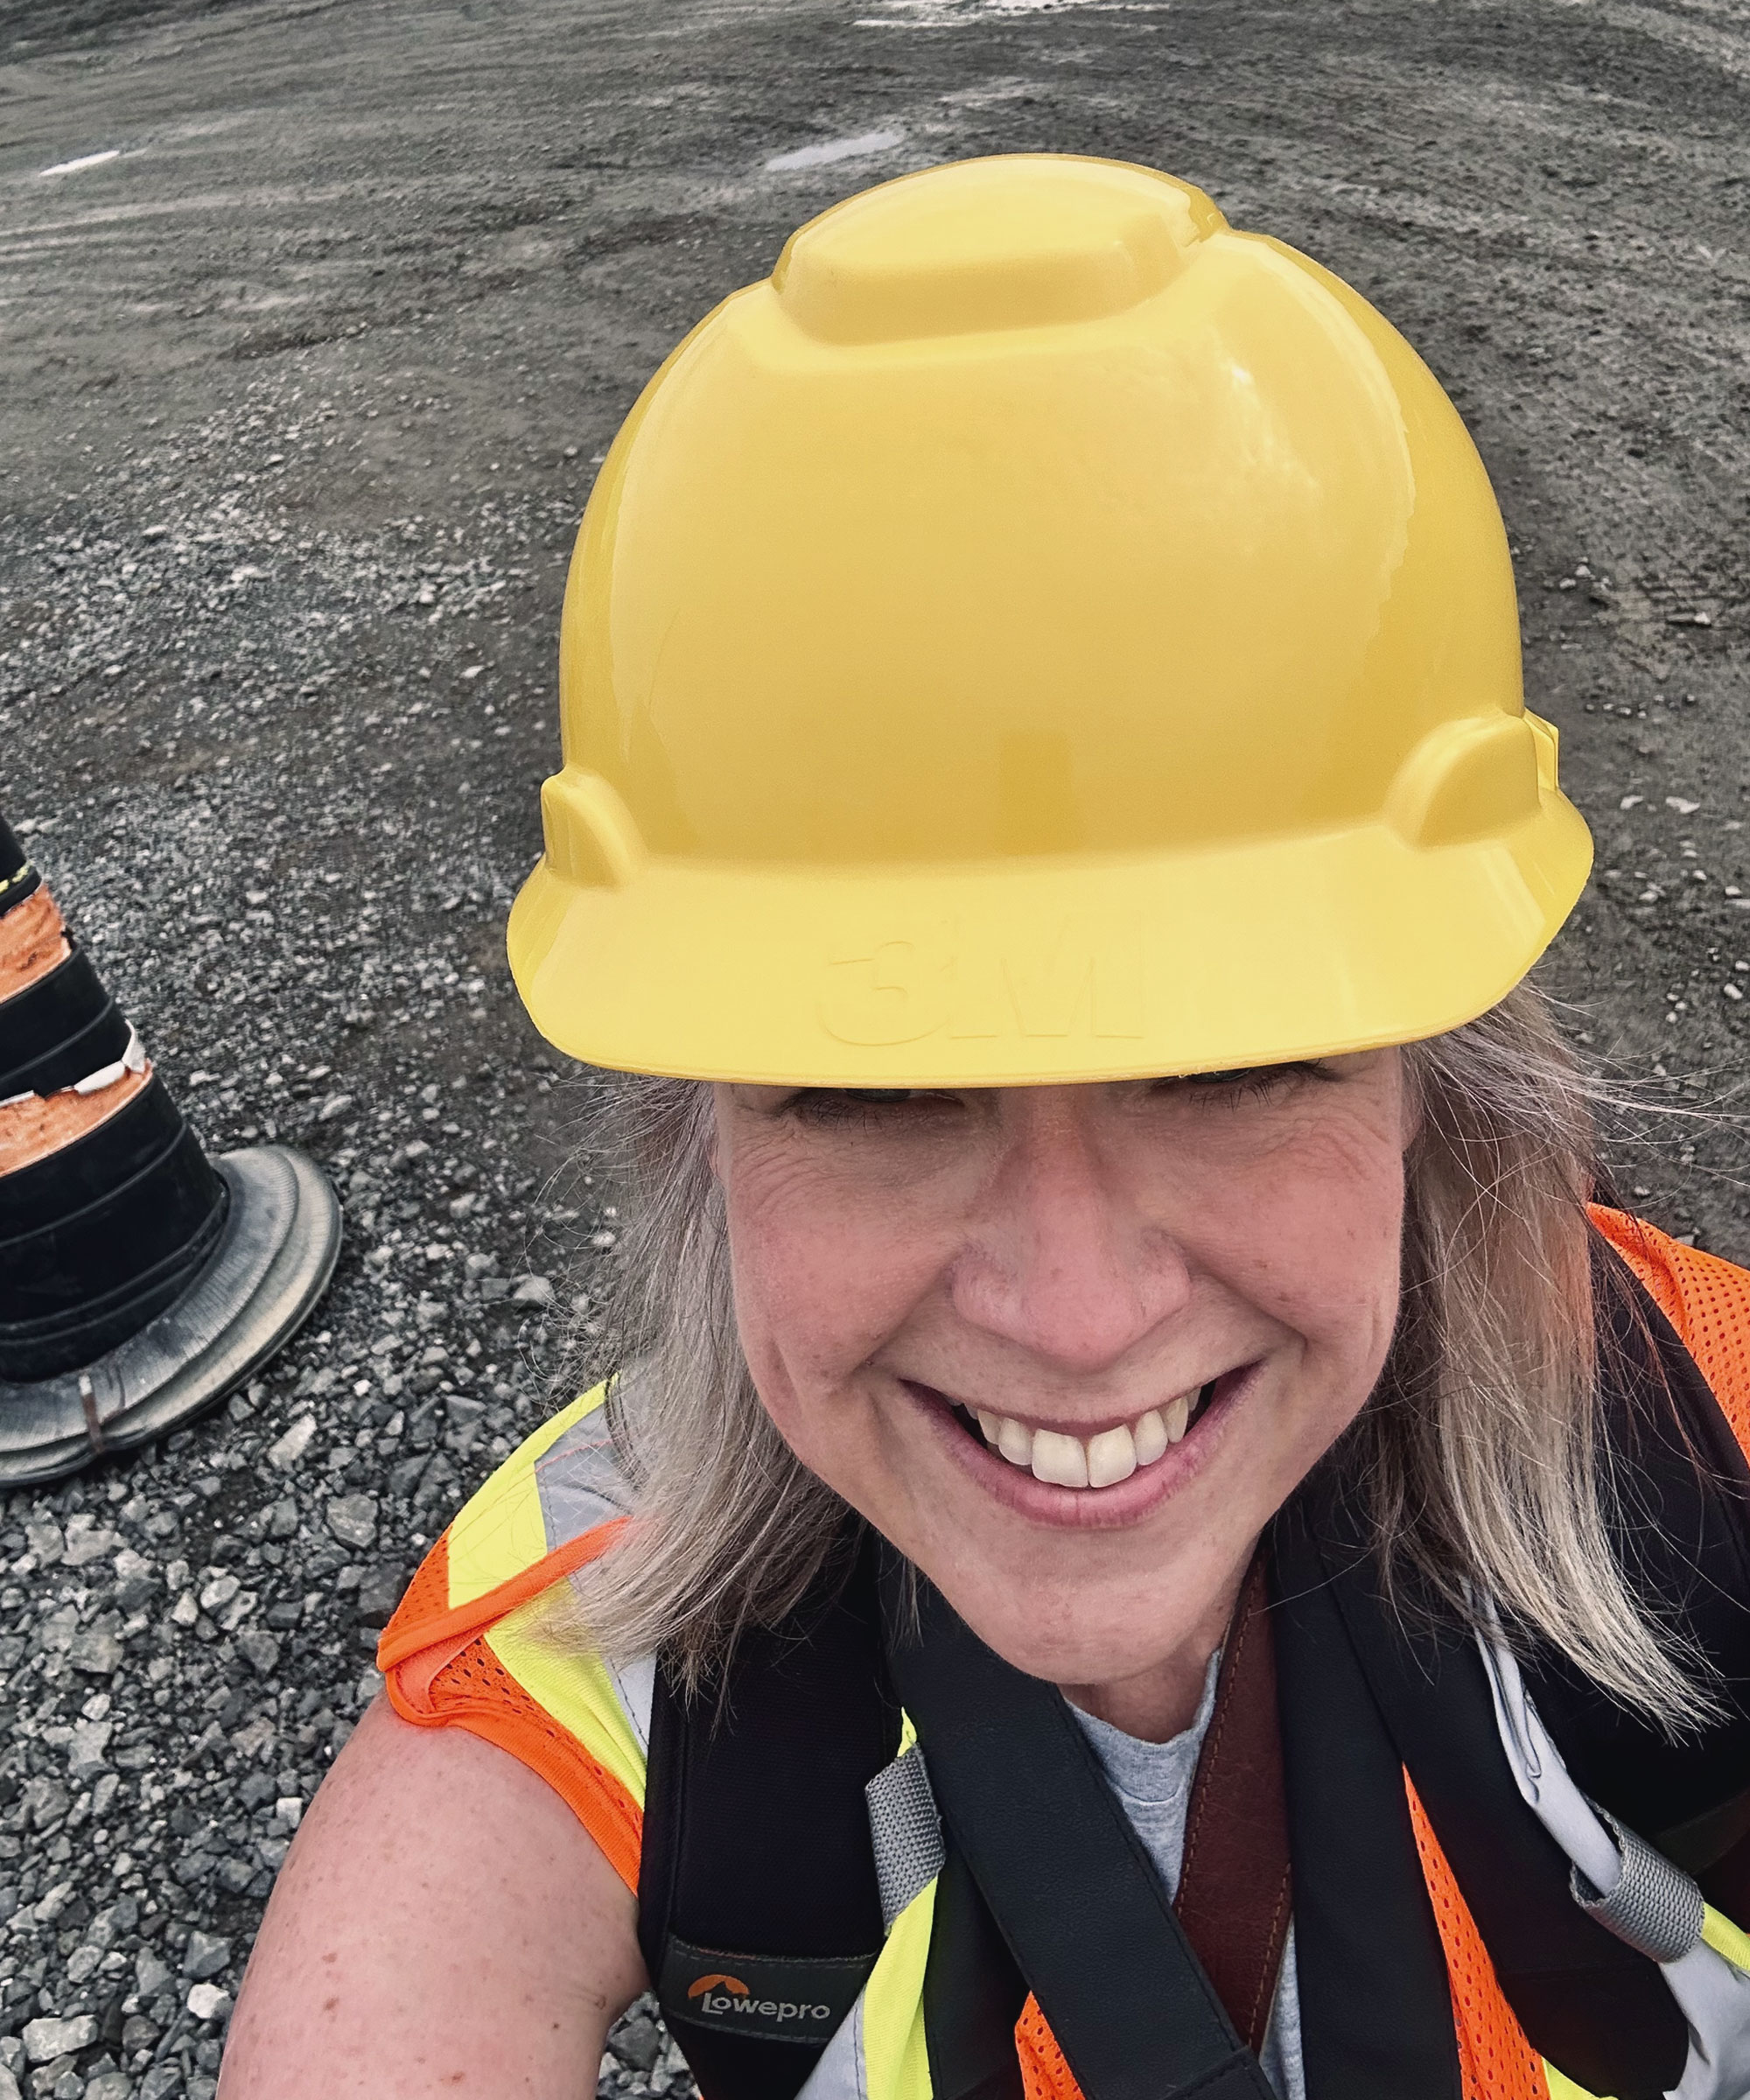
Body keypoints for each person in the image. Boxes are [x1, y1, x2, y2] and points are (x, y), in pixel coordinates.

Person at [220, 157, 1750, 2100]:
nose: (1076, 1308)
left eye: (1235, 1060)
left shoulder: (1709, 1449)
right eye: (872, 1096)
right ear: (695, 1135)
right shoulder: (606, 1632)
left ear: (1437, 1080)